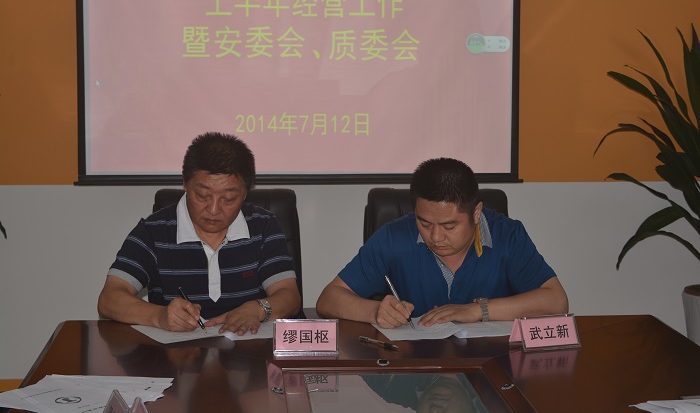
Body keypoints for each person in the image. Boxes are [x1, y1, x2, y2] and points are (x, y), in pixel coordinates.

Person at [316, 157, 568, 328]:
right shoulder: (395, 236)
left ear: (476, 213)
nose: (436, 237)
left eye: (449, 226)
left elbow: (556, 302)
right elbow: (328, 299)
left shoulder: (507, 236)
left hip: (490, 370)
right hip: (417, 371)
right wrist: (374, 311)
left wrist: (477, 310)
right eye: (425, 223)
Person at [98, 132, 300, 335]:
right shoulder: (154, 231)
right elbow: (110, 298)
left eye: (228, 199)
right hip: (176, 353)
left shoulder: (263, 226)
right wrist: (160, 316)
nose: (213, 209)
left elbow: (289, 297)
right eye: (203, 196)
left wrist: (259, 309)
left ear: (246, 193)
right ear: (185, 183)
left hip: (248, 352)